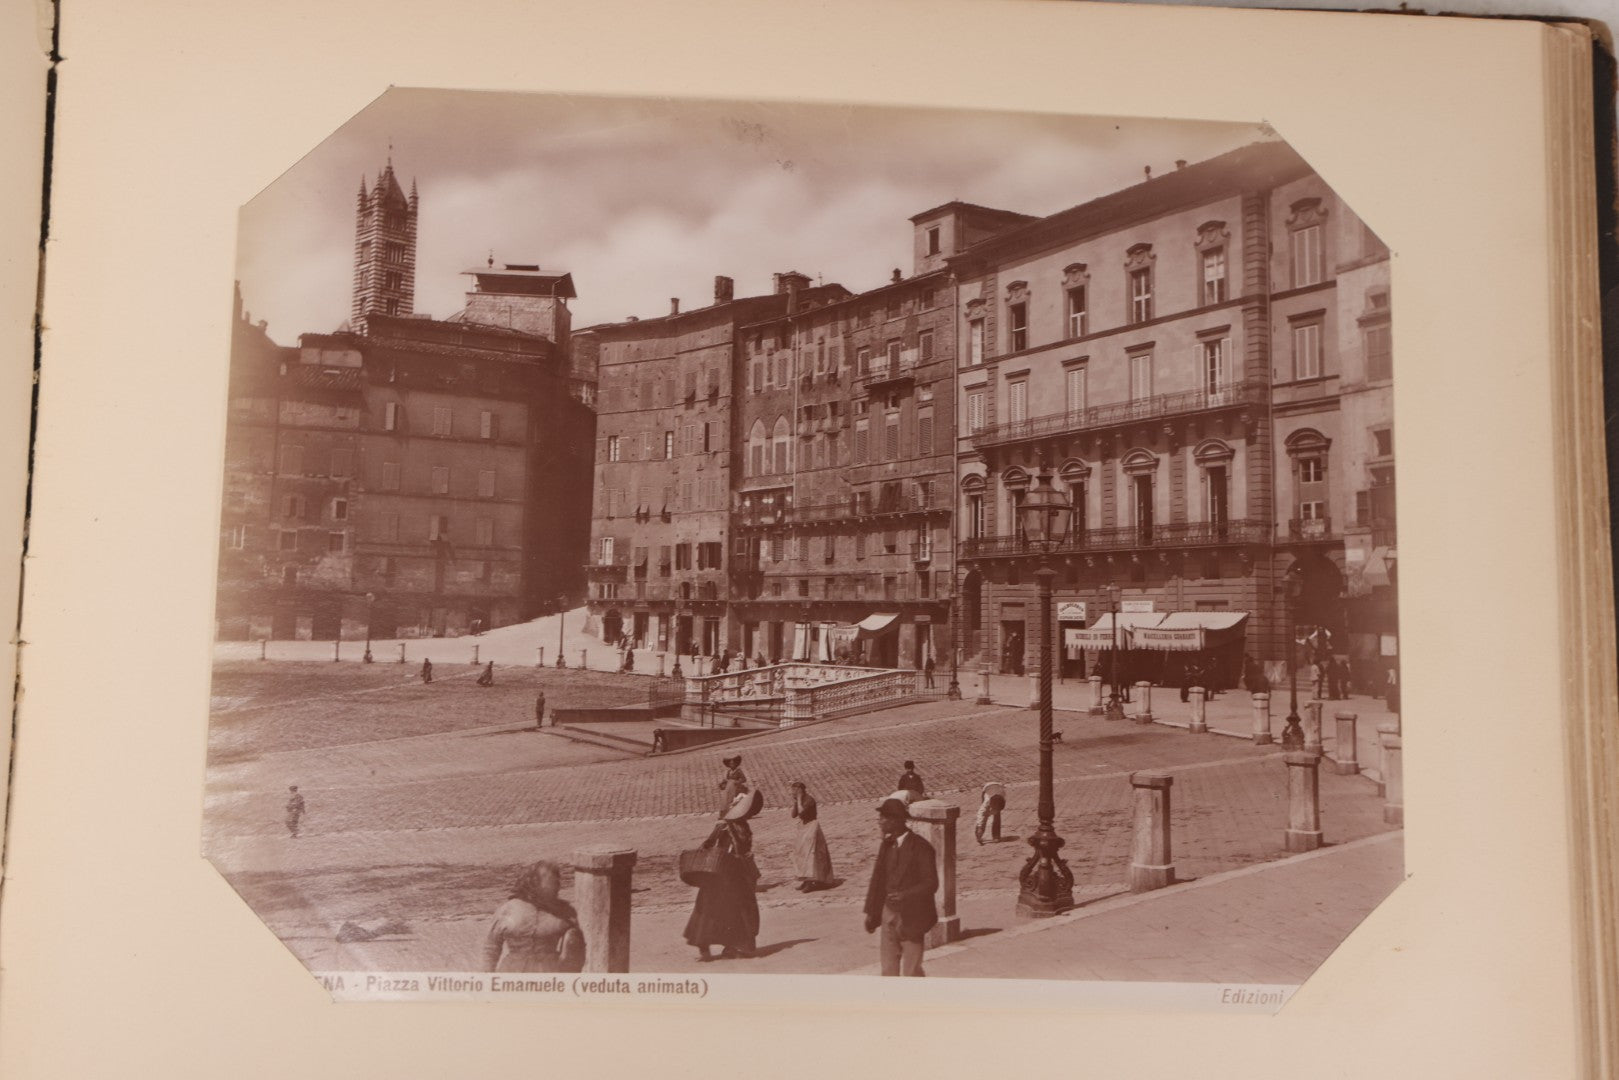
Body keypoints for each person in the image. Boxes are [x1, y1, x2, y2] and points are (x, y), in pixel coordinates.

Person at [684, 789, 763, 961]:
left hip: (735, 873)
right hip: (721, 873)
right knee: (718, 908)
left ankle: (732, 946)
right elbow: (708, 844)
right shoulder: (725, 826)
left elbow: (741, 848)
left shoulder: (742, 826)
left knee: (733, 909)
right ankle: (706, 944)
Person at [863, 796, 938, 977]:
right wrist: (872, 914)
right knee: (888, 970)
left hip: (912, 916)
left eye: (883, 818)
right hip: (887, 913)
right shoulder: (887, 845)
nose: (879, 822)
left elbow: (931, 883)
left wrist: (906, 895)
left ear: (896, 820)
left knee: (912, 971)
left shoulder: (921, 847)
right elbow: (878, 881)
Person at [481, 860, 585, 973]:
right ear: (535, 883)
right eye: (553, 881)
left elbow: (576, 953)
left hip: (548, 974)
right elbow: (491, 949)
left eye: (558, 881)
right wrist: (486, 979)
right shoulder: (508, 910)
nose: (558, 886)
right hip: (511, 974)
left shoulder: (565, 911)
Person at [788, 781, 834, 891]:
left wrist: (798, 800)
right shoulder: (800, 800)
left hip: (812, 828)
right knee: (802, 855)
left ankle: (810, 881)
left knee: (810, 855)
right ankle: (805, 880)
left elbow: (802, 813)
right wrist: (796, 801)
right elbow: (793, 815)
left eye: (794, 791)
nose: (792, 794)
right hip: (803, 828)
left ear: (800, 791)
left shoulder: (810, 800)